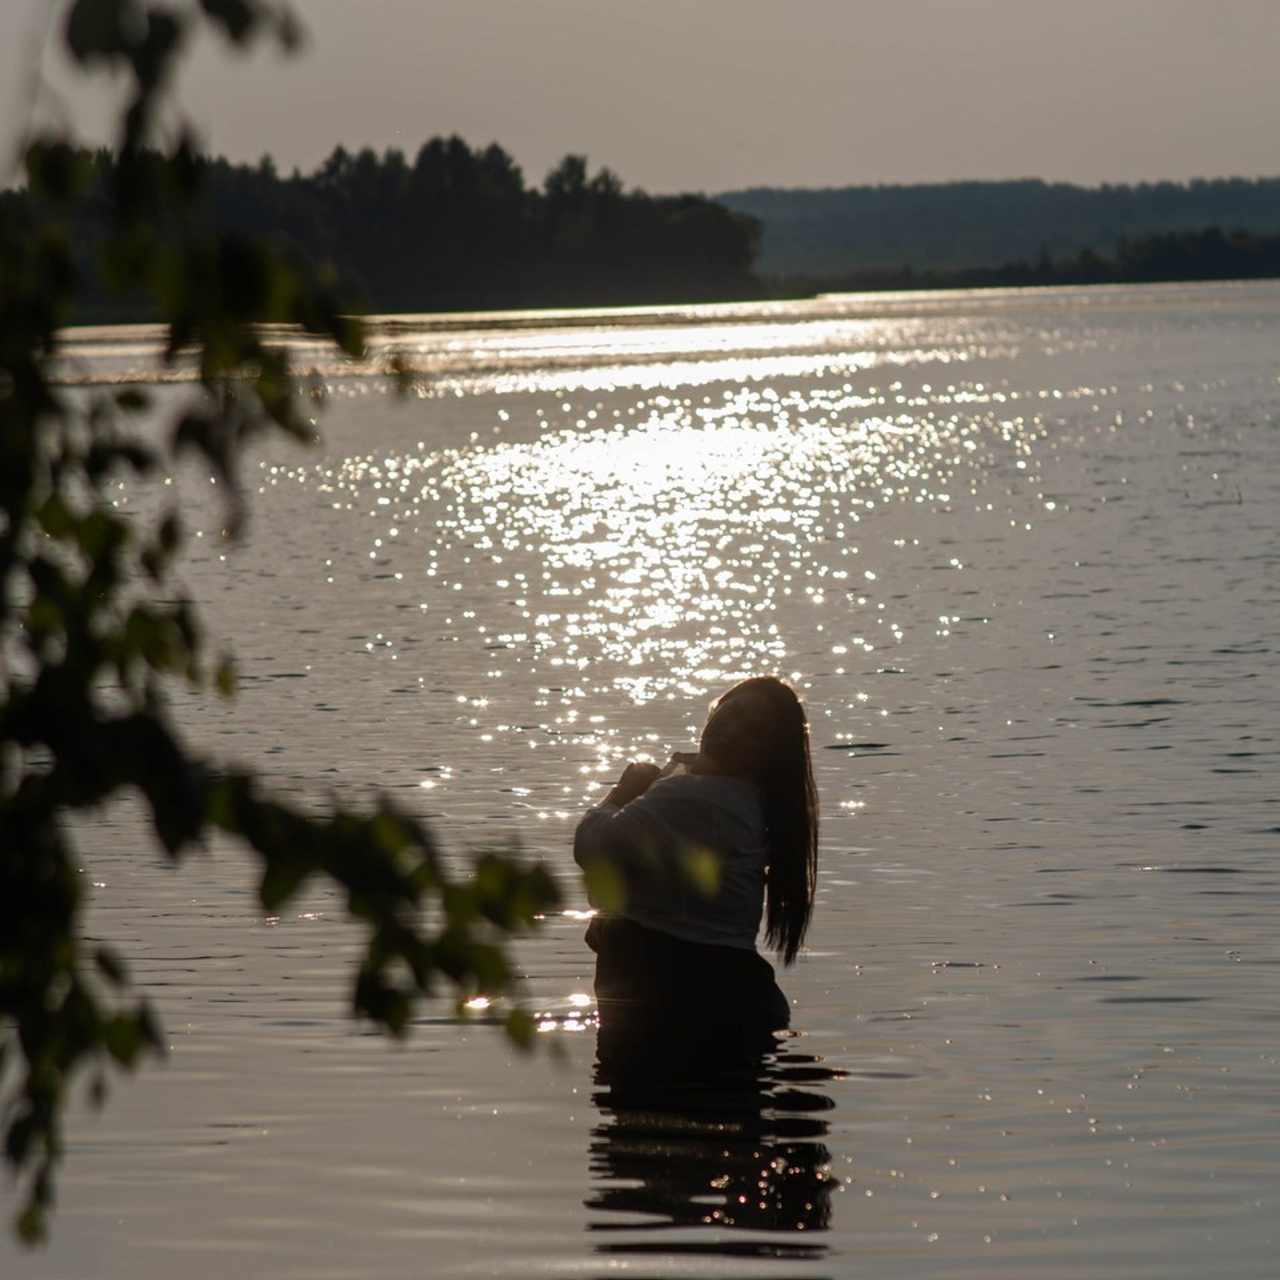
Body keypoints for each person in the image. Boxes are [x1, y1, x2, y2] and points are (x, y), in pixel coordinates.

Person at [573, 676, 819, 1073]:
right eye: (733, 712)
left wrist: (623, 788)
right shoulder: (718, 795)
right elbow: (668, 887)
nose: (733, 730)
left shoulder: (702, 799)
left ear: (767, 758)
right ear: (715, 706)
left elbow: (592, 844)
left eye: (754, 733)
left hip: (692, 1016)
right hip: (716, 1008)